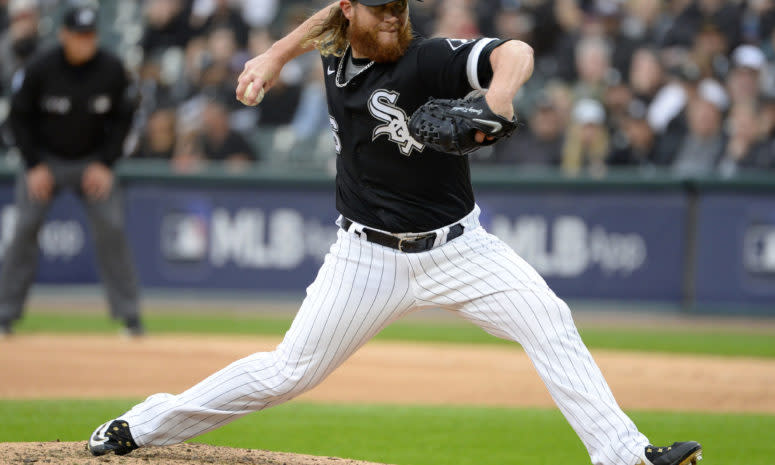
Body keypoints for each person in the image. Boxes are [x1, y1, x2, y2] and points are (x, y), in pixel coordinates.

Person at [87, 2, 702, 465]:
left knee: (550, 318)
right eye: (379, 10)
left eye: (399, 9)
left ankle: (626, 456)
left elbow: (514, 51)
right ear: (352, 12)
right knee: (286, 374)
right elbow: (326, 17)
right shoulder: (336, 41)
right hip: (365, 258)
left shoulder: (427, 57)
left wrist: (500, 97)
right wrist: (273, 55)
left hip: (460, 248)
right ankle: (144, 426)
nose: (392, 21)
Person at [0, 0, 144, 337]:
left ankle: (130, 317)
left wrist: (106, 164)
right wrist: (34, 165)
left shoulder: (111, 69)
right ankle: (5, 314)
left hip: (92, 161)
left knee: (112, 227)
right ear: (64, 35)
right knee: (24, 228)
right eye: (79, 35)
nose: (85, 41)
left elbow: (125, 120)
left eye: (91, 34)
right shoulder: (40, 68)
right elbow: (17, 119)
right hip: (45, 160)